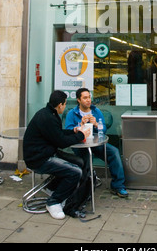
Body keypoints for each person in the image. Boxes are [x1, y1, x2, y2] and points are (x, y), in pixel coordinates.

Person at [23, 90, 90, 220]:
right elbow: (61, 142)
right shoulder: (48, 118)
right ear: (60, 105)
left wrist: (73, 131)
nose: (65, 107)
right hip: (39, 159)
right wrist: (81, 135)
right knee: (75, 172)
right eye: (64, 104)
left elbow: (57, 133)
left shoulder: (49, 114)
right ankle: (53, 202)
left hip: (46, 153)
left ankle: (52, 188)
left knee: (79, 162)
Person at [65, 88, 129, 198]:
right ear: (78, 100)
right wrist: (80, 125)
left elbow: (103, 130)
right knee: (85, 159)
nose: (88, 100)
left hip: (96, 143)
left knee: (113, 152)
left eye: (89, 97)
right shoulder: (72, 113)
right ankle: (86, 189)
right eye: (85, 98)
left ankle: (118, 186)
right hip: (81, 145)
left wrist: (96, 124)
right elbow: (68, 130)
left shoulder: (96, 111)